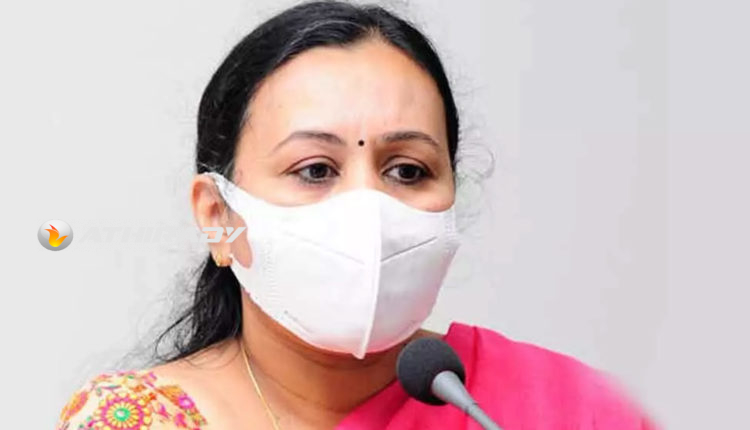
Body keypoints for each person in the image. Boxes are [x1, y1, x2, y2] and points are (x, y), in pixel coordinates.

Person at [55, 1, 657, 429]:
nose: (368, 209)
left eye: (408, 171)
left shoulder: (571, 409)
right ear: (218, 217)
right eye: (316, 169)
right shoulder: (137, 420)